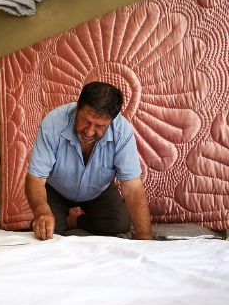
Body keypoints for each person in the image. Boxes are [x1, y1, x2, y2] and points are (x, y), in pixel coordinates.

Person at [25, 81, 152, 241]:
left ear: (111, 121)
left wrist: (145, 237)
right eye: (85, 121)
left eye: (99, 126)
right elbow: (36, 178)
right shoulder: (52, 123)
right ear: (77, 107)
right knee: (48, 232)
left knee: (119, 224)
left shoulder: (122, 132)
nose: (89, 132)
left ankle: (75, 221)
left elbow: (133, 187)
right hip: (56, 189)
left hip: (98, 190)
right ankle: (54, 218)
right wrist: (42, 211)